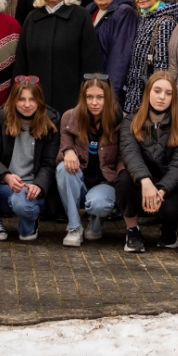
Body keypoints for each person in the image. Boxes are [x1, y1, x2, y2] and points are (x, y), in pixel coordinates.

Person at [0, 79, 60, 241]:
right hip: (5, 184)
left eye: (32, 99)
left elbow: (49, 163)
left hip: (31, 189)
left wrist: (39, 185)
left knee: (26, 232)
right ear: (13, 100)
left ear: (40, 101)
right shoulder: (2, 119)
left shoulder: (51, 123)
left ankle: (29, 225)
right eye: (21, 99)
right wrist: (6, 176)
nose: (27, 104)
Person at [116, 71, 178, 252]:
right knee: (124, 178)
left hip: (167, 187)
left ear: (173, 98)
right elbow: (130, 154)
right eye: (157, 91)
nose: (162, 97)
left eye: (168, 93)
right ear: (148, 92)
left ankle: (169, 231)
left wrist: (162, 189)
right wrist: (145, 180)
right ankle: (132, 231)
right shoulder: (130, 122)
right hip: (140, 184)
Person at [14, 0, 103, 115]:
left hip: (71, 102)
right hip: (35, 102)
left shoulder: (80, 16)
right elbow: (21, 63)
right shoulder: (31, 18)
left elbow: (91, 62)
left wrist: (88, 98)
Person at [55, 76, 123, 246]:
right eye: (89, 97)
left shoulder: (121, 122)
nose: (94, 102)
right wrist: (68, 151)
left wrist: (119, 182)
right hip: (81, 181)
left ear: (108, 98)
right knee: (63, 168)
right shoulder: (69, 118)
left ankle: (97, 220)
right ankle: (74, 227)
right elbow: (63, 146)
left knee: (98, 204)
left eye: (100, 97)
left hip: (106, 182)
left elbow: (124, 157)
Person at [121, 0, 178, 116]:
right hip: (134, 93)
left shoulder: (164, 21)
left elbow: (161, 65)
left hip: (148, 98)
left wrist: (155, 97)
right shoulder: (144, 16)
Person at [88, 0, 136, 103]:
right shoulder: (90, 10)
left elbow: (119, 57)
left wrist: (110, 95)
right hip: (92, 86)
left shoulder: (123, 12)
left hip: (108, 90)